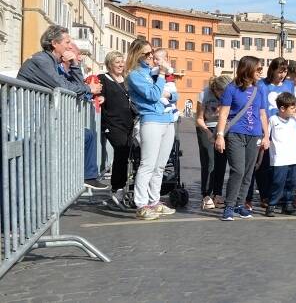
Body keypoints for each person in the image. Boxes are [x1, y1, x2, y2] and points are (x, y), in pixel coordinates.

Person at [17, 25, 106, 189]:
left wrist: (73, 64)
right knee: (22, 178)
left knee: (87, 135)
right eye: (66, 42)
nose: (69, 45)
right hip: (24, 124)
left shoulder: (51, 62)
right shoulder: (41, 60)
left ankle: (87, 176)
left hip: (38, 121)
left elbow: (75, 85)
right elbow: (63, 86)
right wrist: (88, 89)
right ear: (54, 43)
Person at [125, 39, 178, 220]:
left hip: (167, 120)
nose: (151, 57)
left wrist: (165, 89)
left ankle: (155, 200)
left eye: (151, 53)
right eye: (147, 54)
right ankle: (142, 203)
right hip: (151, 120)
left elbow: (175, 95)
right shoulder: (135, 75)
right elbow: (153, 95)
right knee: (147, 164)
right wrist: (162, 78)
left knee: (160, 165)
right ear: (137, 55)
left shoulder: (152, 72)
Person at [215, 56, 270, 221]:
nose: (261, 72)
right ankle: (229, 206)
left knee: (248, 172)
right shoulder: (231, 89)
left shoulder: (259, 89)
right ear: (248, 69)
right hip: (235, 134)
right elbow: (224, 114)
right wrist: (219, 136)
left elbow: (262, 114)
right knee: (237, 171)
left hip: (254, 135)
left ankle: (240, 205)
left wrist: (266, 136)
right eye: (258, 69)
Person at [252, 58, 296, 211]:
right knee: (265, 164)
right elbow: (260, 107)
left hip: (285, 130)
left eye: (285, 72)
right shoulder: (262, 84)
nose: (282, 75)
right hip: (267, 127)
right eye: (280, 71)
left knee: (284, 166)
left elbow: (293, 106)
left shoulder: (289, 85)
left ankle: (284, 198)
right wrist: (264, 132)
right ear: (272, 70)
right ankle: (266, 195)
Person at [98, 51, 135, 202]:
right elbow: (98, 94)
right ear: (109, 64)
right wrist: (99, 97)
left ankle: (125, 187)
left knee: (127, 155)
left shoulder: (127, 80)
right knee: (121, 150)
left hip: (130, 123)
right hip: (112, 123)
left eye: (122, 62)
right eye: (117, 62)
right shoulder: (103, 79)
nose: (120, 65)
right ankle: (116, 188)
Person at [195, 75, 232, 209]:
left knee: (221, 162)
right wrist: (209, 133)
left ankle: (217, 194)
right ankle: (206, 195)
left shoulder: (230, 94)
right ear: (216, 89)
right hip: (206, 127)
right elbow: (199, 119)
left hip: (223, 128)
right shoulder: (204, 94)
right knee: (209, 161)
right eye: (222, 93)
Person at [266, 92, 296, 217]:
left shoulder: (294, 120)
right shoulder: (273, 120)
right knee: (278, 183)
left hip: (292, 158)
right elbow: (266, 137)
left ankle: (288, 204)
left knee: (291, 183)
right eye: (292, 108)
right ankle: (272, 204)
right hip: (279, 158)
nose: (294, 110)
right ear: (282, 108)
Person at [151, 49, 180, 122]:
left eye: (157, 59)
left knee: (159, 94)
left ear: (165, 59)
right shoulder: (155, 68)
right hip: (170, 87)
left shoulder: (165, 67)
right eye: (154, 59)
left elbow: (169, 71)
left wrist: (164, 69)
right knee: (167, 98)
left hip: (168, 86)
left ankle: (168, 105)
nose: (154, 61)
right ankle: (175, 110)